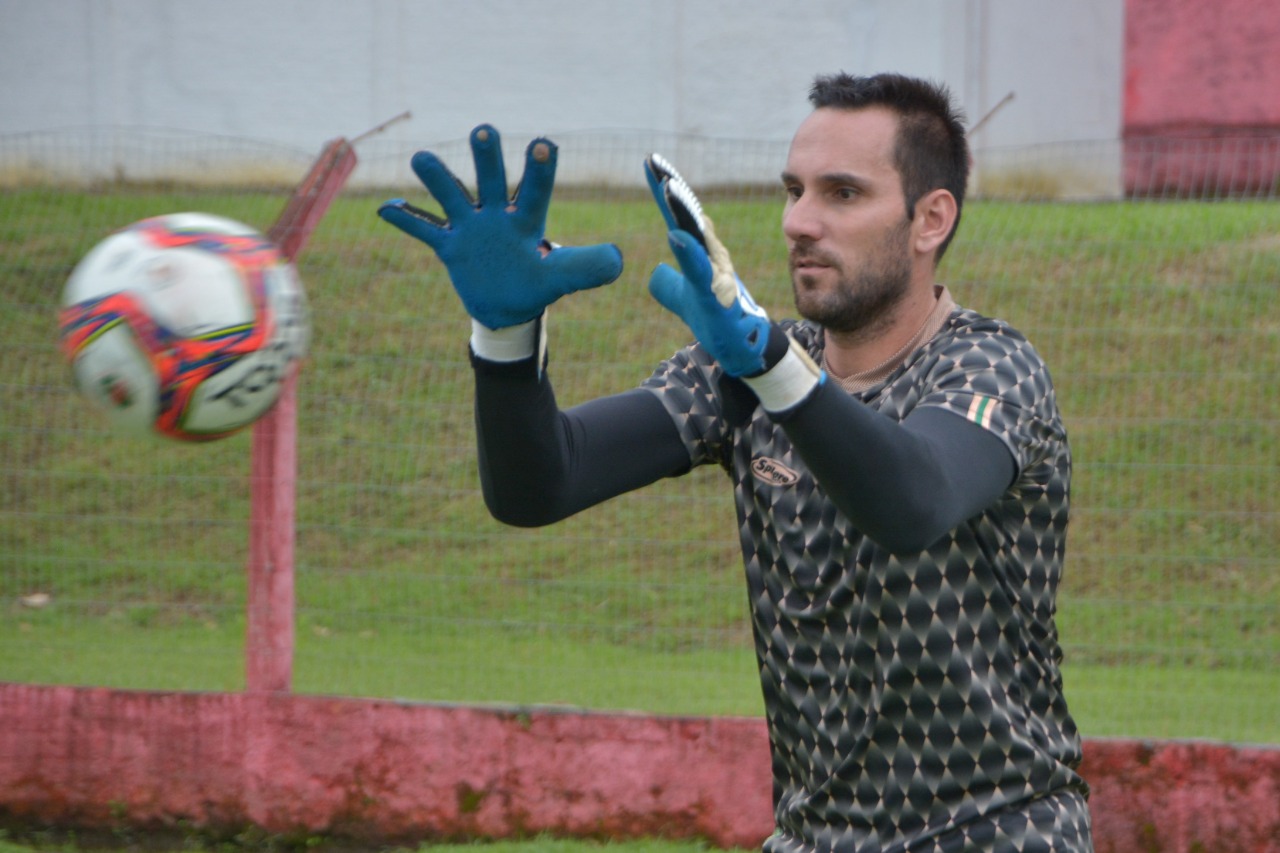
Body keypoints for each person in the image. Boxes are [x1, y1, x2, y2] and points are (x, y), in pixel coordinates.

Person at [379, 71, 1093, 853]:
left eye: (843, 194)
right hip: (811, 838)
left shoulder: (991, 369)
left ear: (931, 219)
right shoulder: (745, 365)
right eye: (794, 190)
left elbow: (912, 502)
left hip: (1000, 832)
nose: (799, 221)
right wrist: (506, 339)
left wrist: (772, 364)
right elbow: (539, 484)